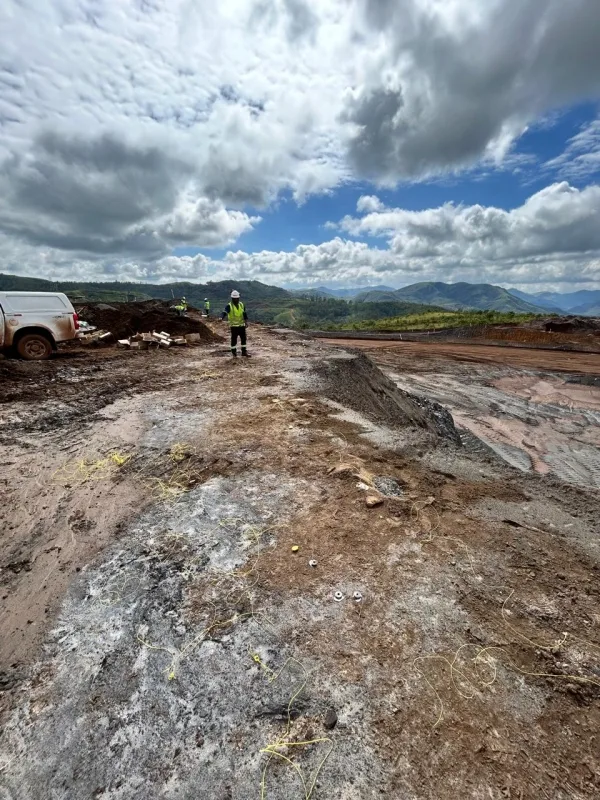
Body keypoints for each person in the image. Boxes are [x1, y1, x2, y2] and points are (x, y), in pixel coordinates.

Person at [221, 290, 250, 357]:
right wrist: (221, 318)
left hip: (241, 326)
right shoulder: (229, 306)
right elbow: (224, 312)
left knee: (244, 339)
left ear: (238, 298)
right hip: (234, 327)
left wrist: (246, 322)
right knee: (234, 340)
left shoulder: (241, 304)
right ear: (232, 298)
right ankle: (234, 353)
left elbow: (244, 313)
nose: (236, 300)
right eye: (234, 298)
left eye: (237, 298)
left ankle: (244, 352)